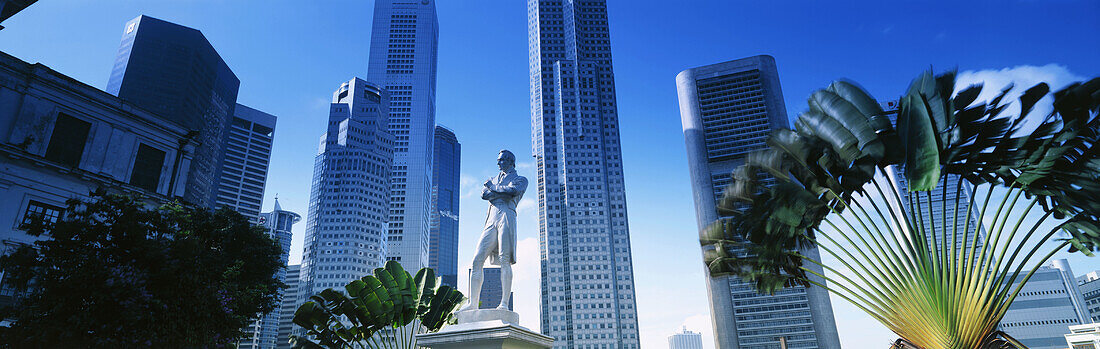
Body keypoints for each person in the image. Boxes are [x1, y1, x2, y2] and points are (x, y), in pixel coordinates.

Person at [464, 149, 527, 311]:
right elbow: (484, 195)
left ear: (509, 161)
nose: (498, 163)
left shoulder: (520, 179)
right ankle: (472, 303)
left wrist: (493, 188)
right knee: (477, 259)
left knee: (504, 259)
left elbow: (512, 192)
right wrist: (497, 190)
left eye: (501, 160)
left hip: (506, 215)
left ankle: (504, 303)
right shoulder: (493, 179)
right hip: (491, 219)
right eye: (498, 160)